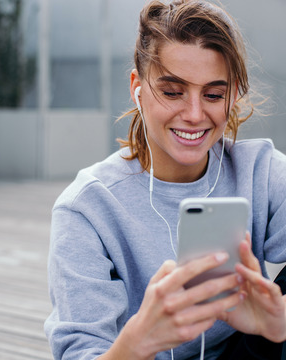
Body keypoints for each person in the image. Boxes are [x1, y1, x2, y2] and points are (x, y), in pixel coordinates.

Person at [44, 1, 286, 359]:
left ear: (232, 95)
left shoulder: (259, 170)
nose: (193, 114)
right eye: (172, 91)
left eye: (213, 95)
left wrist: (278, 328)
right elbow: (81, 350)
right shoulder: (87, 209)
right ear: (137, 88)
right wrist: (137, 340)